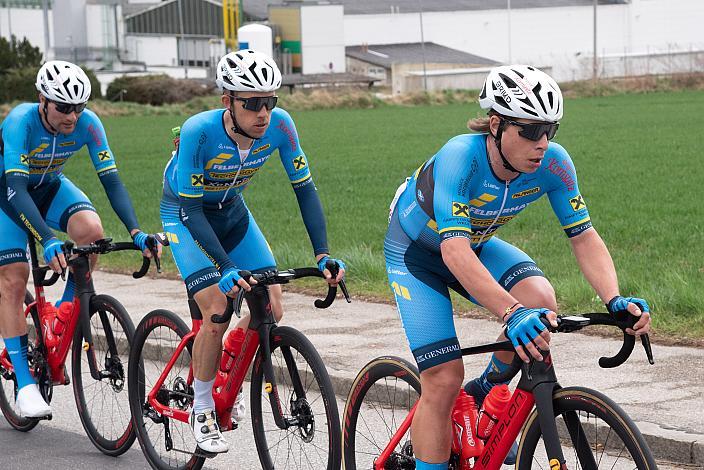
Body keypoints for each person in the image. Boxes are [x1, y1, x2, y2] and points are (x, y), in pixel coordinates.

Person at [384, 64, 651, 469]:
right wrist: (510, 313)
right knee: (442, 378)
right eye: (529, 131)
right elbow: (454, 253)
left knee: (541, 300)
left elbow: (583, 236)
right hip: (416, 255)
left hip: (473, 245)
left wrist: (613, 299)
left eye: (550, 130)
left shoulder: (555, 165)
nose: (542, 143)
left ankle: (486, 388)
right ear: (496, 124)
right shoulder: (462, 157)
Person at [159, 49, 345, 454]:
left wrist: (322, 254)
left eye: (270, 102)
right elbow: (191, 209)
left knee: (273, 306)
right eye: (252, 103)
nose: (263, 113)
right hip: (185, 215)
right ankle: (203, 405)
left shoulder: (281, 127)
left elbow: (305, 190)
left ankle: (224, 364)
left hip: (232, 212)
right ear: (228, 102)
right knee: (216, 307)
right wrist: (224, 266)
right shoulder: (199, 131)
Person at [0, 60, 160, 419]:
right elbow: (15, 188)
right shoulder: (19, 123)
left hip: (48, 186)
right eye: (63, 108)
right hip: (7, 195)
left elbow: (112, 181)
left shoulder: (89, 125)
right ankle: (25, 384)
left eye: (80, 107)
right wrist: (46, 238)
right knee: (13, 278)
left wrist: (136, 232)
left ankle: (65, 313)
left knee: (91, 232)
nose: (72, 116)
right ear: (43, 100)